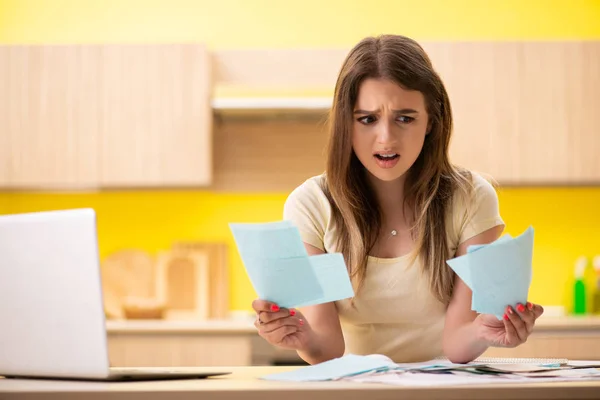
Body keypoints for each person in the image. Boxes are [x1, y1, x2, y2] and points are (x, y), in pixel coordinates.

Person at [251, 34, 544, 365]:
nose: (386, 138)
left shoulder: (471, 197)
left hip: (446, 389)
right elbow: (328, 346)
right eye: (367, 119)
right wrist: (301, 336)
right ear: (346, 124)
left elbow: (458, 342)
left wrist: (486, 331)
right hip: (356, 389)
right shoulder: (312, 205)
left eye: (405, 118)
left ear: (431, 120)